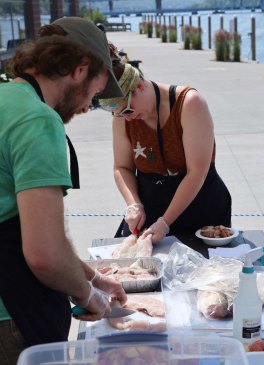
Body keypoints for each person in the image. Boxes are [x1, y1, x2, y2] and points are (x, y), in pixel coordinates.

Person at [0, 17, 127, 364]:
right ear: (79, 69)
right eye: (94, 93)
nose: (88, 106)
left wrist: (95, 277)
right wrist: (90, 296)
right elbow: (45, 253)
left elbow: (26, 225)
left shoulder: (6, 99)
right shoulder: (37, 119)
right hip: (13, 317)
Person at [100, 60, 232, 243]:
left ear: (139, 85)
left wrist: (165, 222)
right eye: (120, 114)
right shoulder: (124, 117)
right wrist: (134, 204)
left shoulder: (189, 103)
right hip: (150, 205)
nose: (128, 119)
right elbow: (122, 167)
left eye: (129, 110)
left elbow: (197, 172)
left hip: (199, 204)